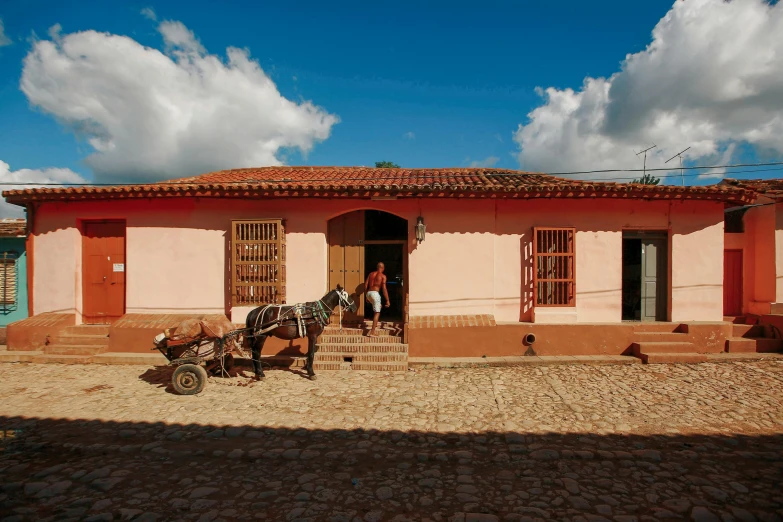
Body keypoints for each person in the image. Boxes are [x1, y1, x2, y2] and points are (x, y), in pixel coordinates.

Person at [365, 262, 390, 337]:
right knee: (377, 312)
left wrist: (366, 296)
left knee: (378, 306)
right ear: (382, 268)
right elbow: (384, 289)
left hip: (369, 293)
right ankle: (372, 332)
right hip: (375, 293)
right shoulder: (383, 276)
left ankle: (373, 328)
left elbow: (366, 285)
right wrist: (387, 300)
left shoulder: (370, 274)